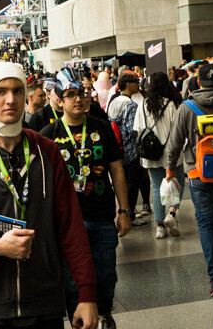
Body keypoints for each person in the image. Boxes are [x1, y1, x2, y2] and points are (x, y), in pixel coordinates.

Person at [0, 61, 98, 329]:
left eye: (17, 90)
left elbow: (71, 228)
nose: (10, 99)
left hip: (44, 302)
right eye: (0, 91)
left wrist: (87, 293)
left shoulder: (47, 152)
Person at [41, 70, 132, 329]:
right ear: (59, 101)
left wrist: (124, 210)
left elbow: (117, 170)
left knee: (106, 274)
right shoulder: (48, 135)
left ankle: (103, 313)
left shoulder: (102, 128)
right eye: (70, 95)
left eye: (80, 94)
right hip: (68, 222)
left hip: (102, 216)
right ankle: (78, 321)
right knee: (72, 280)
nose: (78, 100)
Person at [165, 63, 213, 298]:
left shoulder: (186, 107)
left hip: (199, 173)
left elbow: (174, 144)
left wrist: (170, 170)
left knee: (207, 223)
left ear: (197, 82)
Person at [134, 71, 183, 239]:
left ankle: (160, 226)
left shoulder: (143, 104)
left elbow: (139, 131)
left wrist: (141, 154)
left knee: (156, 187)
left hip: (151, 153)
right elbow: (179, 130)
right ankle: (172, 214)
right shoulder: (173, 104)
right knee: (178, 183)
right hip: (173, 152)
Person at [106, 72, 149, 222]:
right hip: (131, 150)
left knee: (122, 182)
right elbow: (132, 130)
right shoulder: (130, 105)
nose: (138, 85)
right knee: (133, 183)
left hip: (118, 149)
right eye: (136, 82)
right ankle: (129, 214)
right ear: (128, 84)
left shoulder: (114, 102)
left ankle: (125, 211)